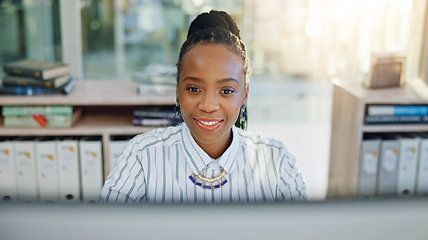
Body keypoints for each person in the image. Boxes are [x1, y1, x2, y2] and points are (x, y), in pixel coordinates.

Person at [99, 10, 307, 203]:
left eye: (226, 91)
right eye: (194, 89)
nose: (208, 105)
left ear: (244, 94)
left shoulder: (276, 161)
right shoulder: (142, 156)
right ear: (178, 91)